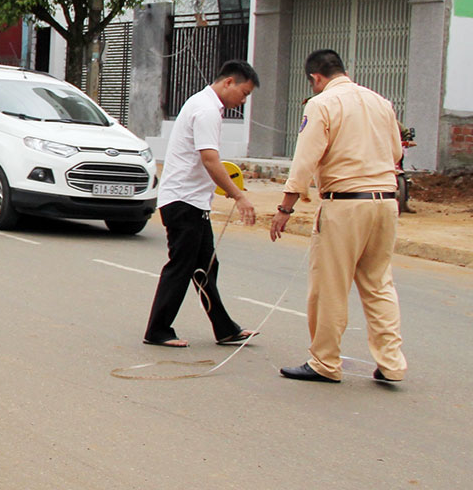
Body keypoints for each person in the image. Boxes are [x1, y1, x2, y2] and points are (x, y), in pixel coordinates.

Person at [271, 49, 406, 384]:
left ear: (316, 78)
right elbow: (396, 153)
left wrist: (286, 207)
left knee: (330, 286)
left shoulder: (321, 105)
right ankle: (392, 363)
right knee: (378, 284)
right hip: (386, 202)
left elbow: (305, 159)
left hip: (345, 203)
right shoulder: (381, 102)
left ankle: (325, 362)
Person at [144, 60, 260, 348]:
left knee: (206, 266)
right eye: (244, 93)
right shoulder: (206, 110)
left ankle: (225, 329)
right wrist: (238, 195)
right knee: (182, 266)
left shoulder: (205, 105)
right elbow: (210, 159)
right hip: (184, 201)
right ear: (228, 82)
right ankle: (157, 330)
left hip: (190, 200)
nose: (243, 101)